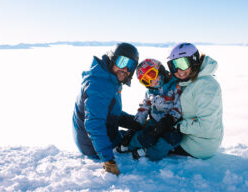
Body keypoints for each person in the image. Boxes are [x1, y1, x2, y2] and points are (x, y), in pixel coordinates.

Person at [72, 43, 142, 175]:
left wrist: (135, 122)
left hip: (93, 139)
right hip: (92, 146)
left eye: (131, 65)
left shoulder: (108, 78)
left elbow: (109, 113)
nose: (126, 69)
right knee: (138, 139)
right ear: (112, 59)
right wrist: (108, 160)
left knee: (138, 130)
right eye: (122, 62)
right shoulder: (100, 85)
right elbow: (94, 124)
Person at [118, 58, 183, 161]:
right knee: (146, 136)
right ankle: (128, 143)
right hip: (154, 122)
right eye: (146, 81)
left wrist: (164, 124)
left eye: (151, 75)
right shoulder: (151, 92)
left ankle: (149, 152)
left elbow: (178, 109)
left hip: (171, 124)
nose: (152, 82)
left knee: (172, 139)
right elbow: (144, 109)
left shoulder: (175, 85)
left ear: (159, 69)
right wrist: (133, 129)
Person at [166, 42, 223, 159]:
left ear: (194, 61)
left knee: (155, 141)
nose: (178, 70)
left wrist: (176, 126)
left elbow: (206, 126)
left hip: (200, 146)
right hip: (193, 137)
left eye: (182, 63)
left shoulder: (206, 86)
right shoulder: (190, 80)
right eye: (173, 65)